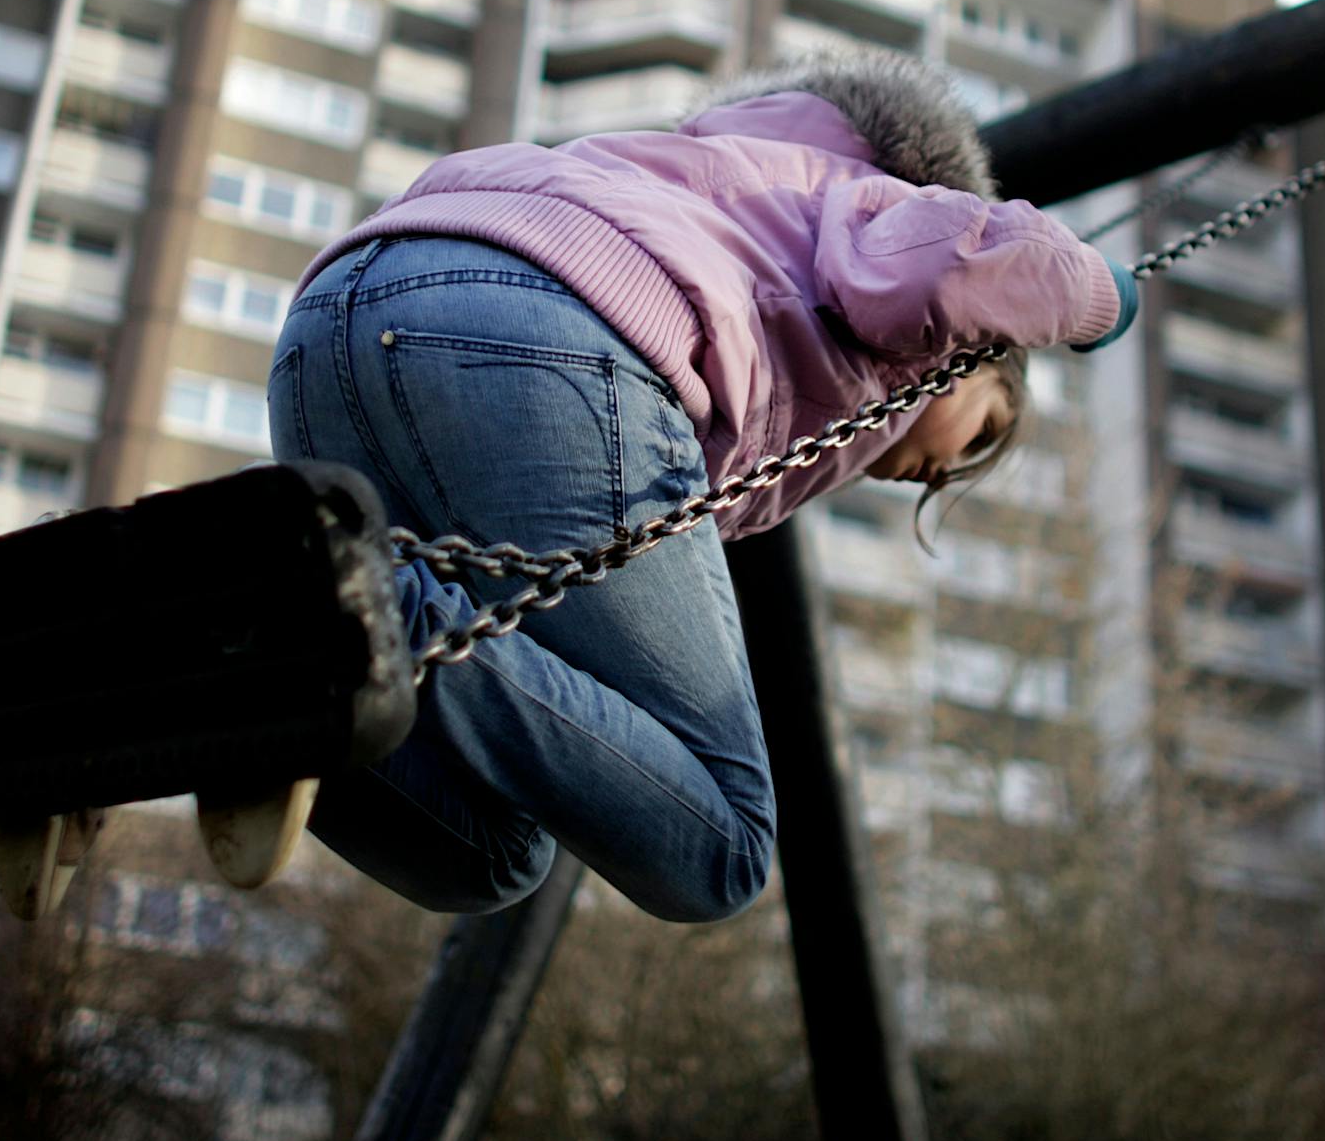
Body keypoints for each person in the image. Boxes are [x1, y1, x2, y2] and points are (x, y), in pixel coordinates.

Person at [267, 50, 1137, 924]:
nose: (942, 474)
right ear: (981, 352)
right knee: (722, 846)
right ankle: (348, 608)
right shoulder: (884, 207)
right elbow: (962, 261)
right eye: (980, 434)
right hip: (544, 329)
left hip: (329, 323)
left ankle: (250, 687)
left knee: (488, 854)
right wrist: (1105, 294)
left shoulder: (723, 178)